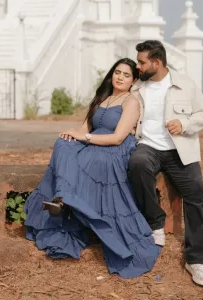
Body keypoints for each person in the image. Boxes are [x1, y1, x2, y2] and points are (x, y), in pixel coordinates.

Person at [24, 58, 161, 278]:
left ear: (133, 80)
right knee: (63, 144)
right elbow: (85, 127)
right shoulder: (103, 98)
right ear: (111, 74)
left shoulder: (131, 101)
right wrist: (73, 134)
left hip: (113, 149)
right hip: (92, 140)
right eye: (117, 72)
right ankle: (61, 197)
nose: (120, 77)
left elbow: (117, 138)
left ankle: (65, 197)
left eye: (126, 75)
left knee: (87, 160)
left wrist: (85, 137)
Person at [128, 40, 203, 287]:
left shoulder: (184, 83)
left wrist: (184, 125)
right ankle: (156, 223)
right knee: (137, 164)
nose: (138, 65)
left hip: (180, 150)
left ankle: (196, 260)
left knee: (196, 193)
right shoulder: (137, 88)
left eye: (142, 61)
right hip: (148, 147)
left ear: (157, 62)